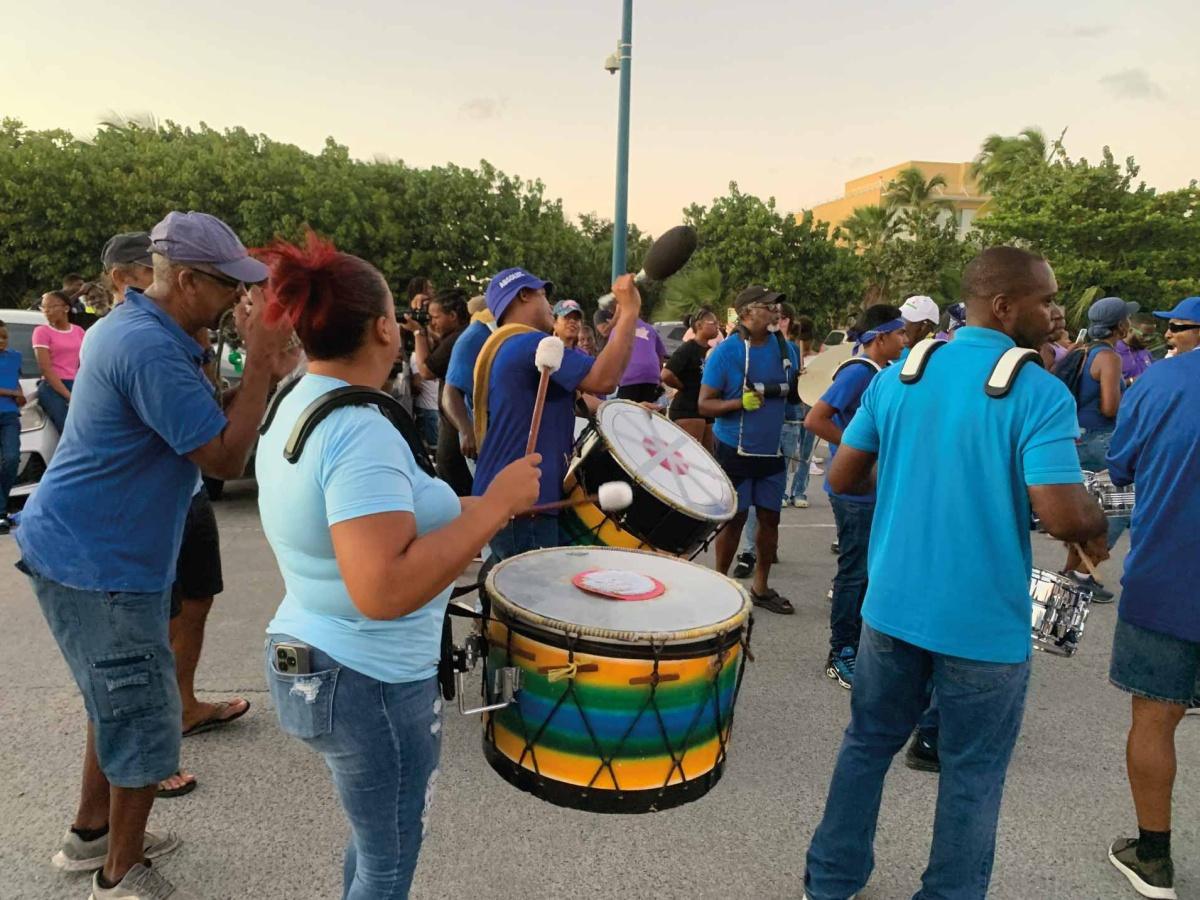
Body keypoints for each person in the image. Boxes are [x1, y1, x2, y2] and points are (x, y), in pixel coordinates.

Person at [802, 247, 1108, 900]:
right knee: (971, 775)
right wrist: (1095, 517)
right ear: (1004, 306)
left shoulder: (902, 374)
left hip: (891, 608)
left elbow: (842, 475)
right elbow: (1059, 513)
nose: (1057, 313)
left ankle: (829, 883)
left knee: (866, 747)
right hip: (984, 626)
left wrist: (918, 482)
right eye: (1047, 299)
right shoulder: (1037, 392)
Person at [16, 210, 296, 899]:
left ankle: (91, 836)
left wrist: (262, 375)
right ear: (191, 280)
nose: (242, 297)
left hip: (87, 551)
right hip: (101, 564)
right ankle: (120, 873)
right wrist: (262, 362)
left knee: (113, 702)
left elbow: (203, 423)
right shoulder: (146, 346)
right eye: (231, 284)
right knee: (141, 717)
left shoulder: (154, 332)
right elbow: (224, 455)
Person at [254, 232, 540, 900]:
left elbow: (385, 517)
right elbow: (383, 587)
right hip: (370, 681)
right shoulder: (360, 430)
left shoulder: (298, 397)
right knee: (388, 862)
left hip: (317, 654)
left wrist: (472, 506)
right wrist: (494, 506)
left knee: (373, 843)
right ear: (385, 327)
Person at [1102, 295, 1200, 900]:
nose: (1165, 336)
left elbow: (1120, 466)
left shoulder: (1160, 382)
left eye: (1176, 327)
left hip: (1169, 575)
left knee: (1155, 718)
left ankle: (1154, 857)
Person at [472, 267, 638, 560]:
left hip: (515, 500)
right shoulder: (529, 344)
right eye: (543, 295)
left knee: (512, 593)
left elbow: (584, 397)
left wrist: (630, 413)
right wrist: (629, 311)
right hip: (525, 506)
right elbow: (604, 380)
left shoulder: (511, 346)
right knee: (532, 599)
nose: (550, 304)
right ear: (523, 295)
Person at [804, 305, 908, 688]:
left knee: (869, 571)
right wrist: (857, 450)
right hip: (853, 491)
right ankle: (840, 651)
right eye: (898, 334)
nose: (904, 340)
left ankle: (862, 647)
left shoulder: (881, 373)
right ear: (880, 338)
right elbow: (815, 418)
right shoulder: (859, 373)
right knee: (854, 572)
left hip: (871, 489)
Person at [699, 285, 799, 615]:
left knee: (770, 519)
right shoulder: (726, 353)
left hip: (771, 452)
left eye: (776, 306)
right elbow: (705, 404)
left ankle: (760, 587)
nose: (775, 312)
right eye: (767, 306)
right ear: (745, 313)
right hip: (735, 450)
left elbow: (796, 395)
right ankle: (718, 587)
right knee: (735, 520)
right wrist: (736, 403)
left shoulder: (787, 351)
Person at [1060, 296, 1137, 602]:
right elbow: (1109, 407)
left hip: (1076, 438)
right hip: (1102, 438)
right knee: (1118, 509)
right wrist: (1129, 393)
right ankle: (1082, 573)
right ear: (1120, 325)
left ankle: (1073, 569)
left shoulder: (1080, 352)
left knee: (1086, 508)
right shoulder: (1109, 358)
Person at [421, 289, 473, 497]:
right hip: (458, 427)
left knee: (456, 490)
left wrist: (418, 333)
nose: (432, 323)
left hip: (456, 431)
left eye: (435, 317)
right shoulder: (463, 336)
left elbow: (426, 371)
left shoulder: (458, 339)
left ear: (452, 316)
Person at [80, 233, 155, 360]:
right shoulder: (138, 332)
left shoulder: (95, 333)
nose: (164, 278)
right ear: (120, 277)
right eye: (152, 270)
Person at [442, 296, 496, 464]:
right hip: (483, 442)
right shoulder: (473, 337)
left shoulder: (511, 332)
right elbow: (450, 391)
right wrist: (467, 432)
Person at [662, 306, 719, 446]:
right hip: (687, 409)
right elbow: (666, 374)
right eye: (714, 323)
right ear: (699, 325)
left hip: (705, 409)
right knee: (693, 452)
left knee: (709, 455)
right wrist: (682, 386)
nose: (718, 326)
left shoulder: (711, 350)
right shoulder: (688, 348)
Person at [33, 289, 85, 434]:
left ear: (66, 308)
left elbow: (85, 362)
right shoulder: (42, 332)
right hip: (53, 387)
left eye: (51, 307)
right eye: (44, 308)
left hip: (76, 384)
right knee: (69, 430)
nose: (47, 311)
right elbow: (46, 369)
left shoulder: (79, 331)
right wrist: (69, 396)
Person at [0, 318, 26, 534]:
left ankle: (1, 508)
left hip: (9, 415)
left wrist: (20, 396)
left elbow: (13, 382)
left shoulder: (15, 357)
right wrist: (12, 393)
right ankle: (1, 512)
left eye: (5, 337)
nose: (2, 341)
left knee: (11, 458)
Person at [615, 316, 666, 403]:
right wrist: (658, 375)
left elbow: (614, 355)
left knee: (626, 410)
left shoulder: (619, 329)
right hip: (651, 375)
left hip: (629, 376)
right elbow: (661, 355)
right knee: (647, 411)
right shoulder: (650, 329)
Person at [1039, 303, 1070, 369]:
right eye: (1057, 319)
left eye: (1062, 318)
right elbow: (1048, 373)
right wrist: (1070, 353)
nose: (1062, 322)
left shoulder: (1054, 343)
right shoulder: (1045, 347)